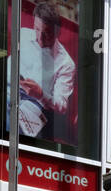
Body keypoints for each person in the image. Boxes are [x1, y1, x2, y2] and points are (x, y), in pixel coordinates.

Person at [15, 2, 76, 143]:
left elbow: (61, 105)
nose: (39, 38)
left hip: (36, 107)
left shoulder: (66, 63)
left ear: (57, 32)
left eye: (46, 34)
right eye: (36, 29)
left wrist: (41, 94)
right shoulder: (23, 34)